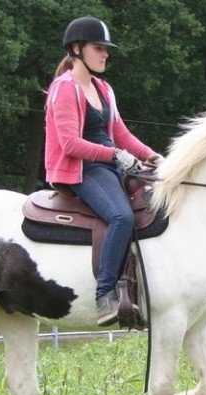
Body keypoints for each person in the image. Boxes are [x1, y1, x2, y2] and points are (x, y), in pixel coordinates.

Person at [44, 16, 161, 326]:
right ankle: (105, 295)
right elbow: (70, 143)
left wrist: (152, 157)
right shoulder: (64, 88)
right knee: (121, 216)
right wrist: (115, 155)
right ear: (77, 49)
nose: (105, 54)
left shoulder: (104, 88)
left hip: (109, 165)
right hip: (81, 170)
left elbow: (121, 133)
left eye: (105, 49)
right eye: (99, 48)